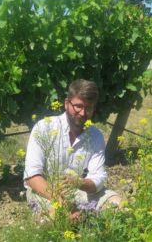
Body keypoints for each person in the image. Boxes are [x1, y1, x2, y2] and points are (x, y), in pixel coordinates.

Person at [23, 79, 121, 220]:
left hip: (78, 190)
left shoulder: (95, 136)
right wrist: (60, 201)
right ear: (66, 103)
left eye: (88, 108)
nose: (82, 113)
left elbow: (98, 177)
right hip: (45, 191)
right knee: (61, 217)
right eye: (78, 106)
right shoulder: (44, 128)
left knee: (119, 205)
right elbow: (32, 176)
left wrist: (79, 182)